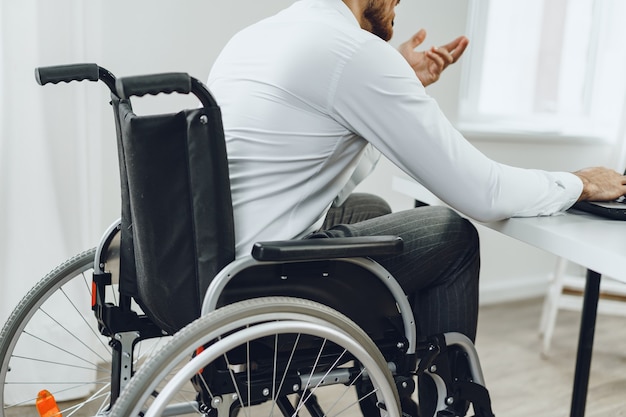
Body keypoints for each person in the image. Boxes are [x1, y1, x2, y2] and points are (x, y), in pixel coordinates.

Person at [207, 0, 626, 415]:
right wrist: (581, 183)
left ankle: (384, 393)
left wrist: (399, 79)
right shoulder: (352, 51)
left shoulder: (257, 37)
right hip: (264, 292)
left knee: (368, 208)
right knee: (450, 233)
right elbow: (483, 191)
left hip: (215, 275)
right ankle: (443, 404)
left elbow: (308, 170)